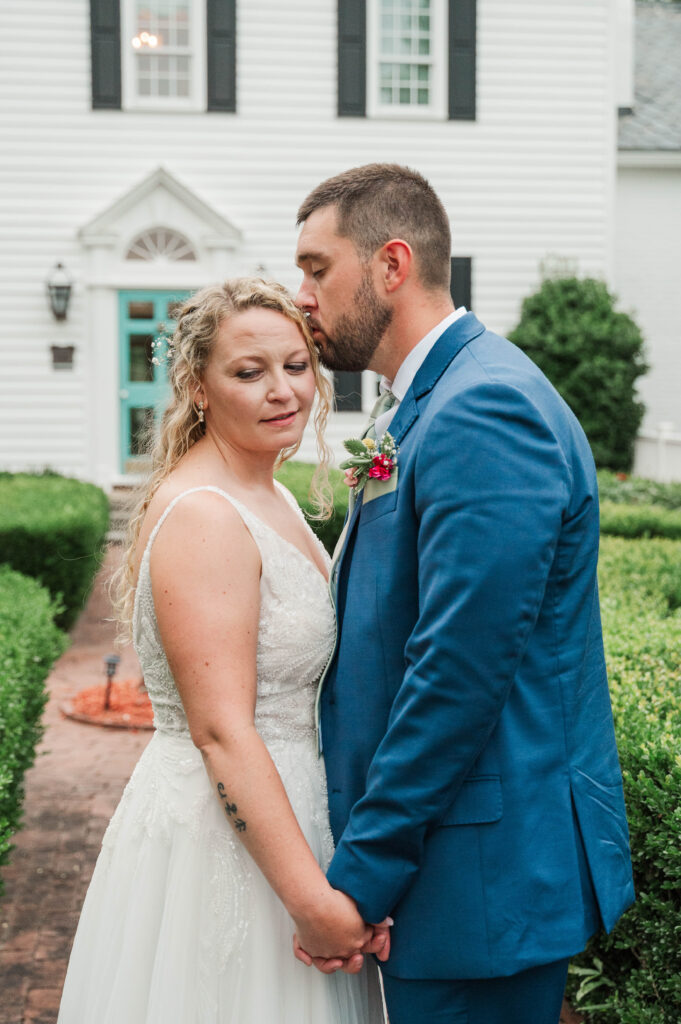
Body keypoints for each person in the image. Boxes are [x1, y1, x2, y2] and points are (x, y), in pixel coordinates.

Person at [293, 164, 635, 1024]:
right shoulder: (427, 402)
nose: (302, 295)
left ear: (391, 265)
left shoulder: (484, 408)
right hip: (451, 873)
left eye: (316, 268)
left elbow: (457, 671)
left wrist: (361, 877)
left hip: (479, 876)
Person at [57, 279, 387, 1023]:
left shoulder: (267, 492)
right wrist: (310, 901)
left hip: (292, 811)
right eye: (248, 372)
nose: (283, 392)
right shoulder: (206, 514)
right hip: (228, 843)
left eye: (296, 366)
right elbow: (220, 730)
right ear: (198, 388)